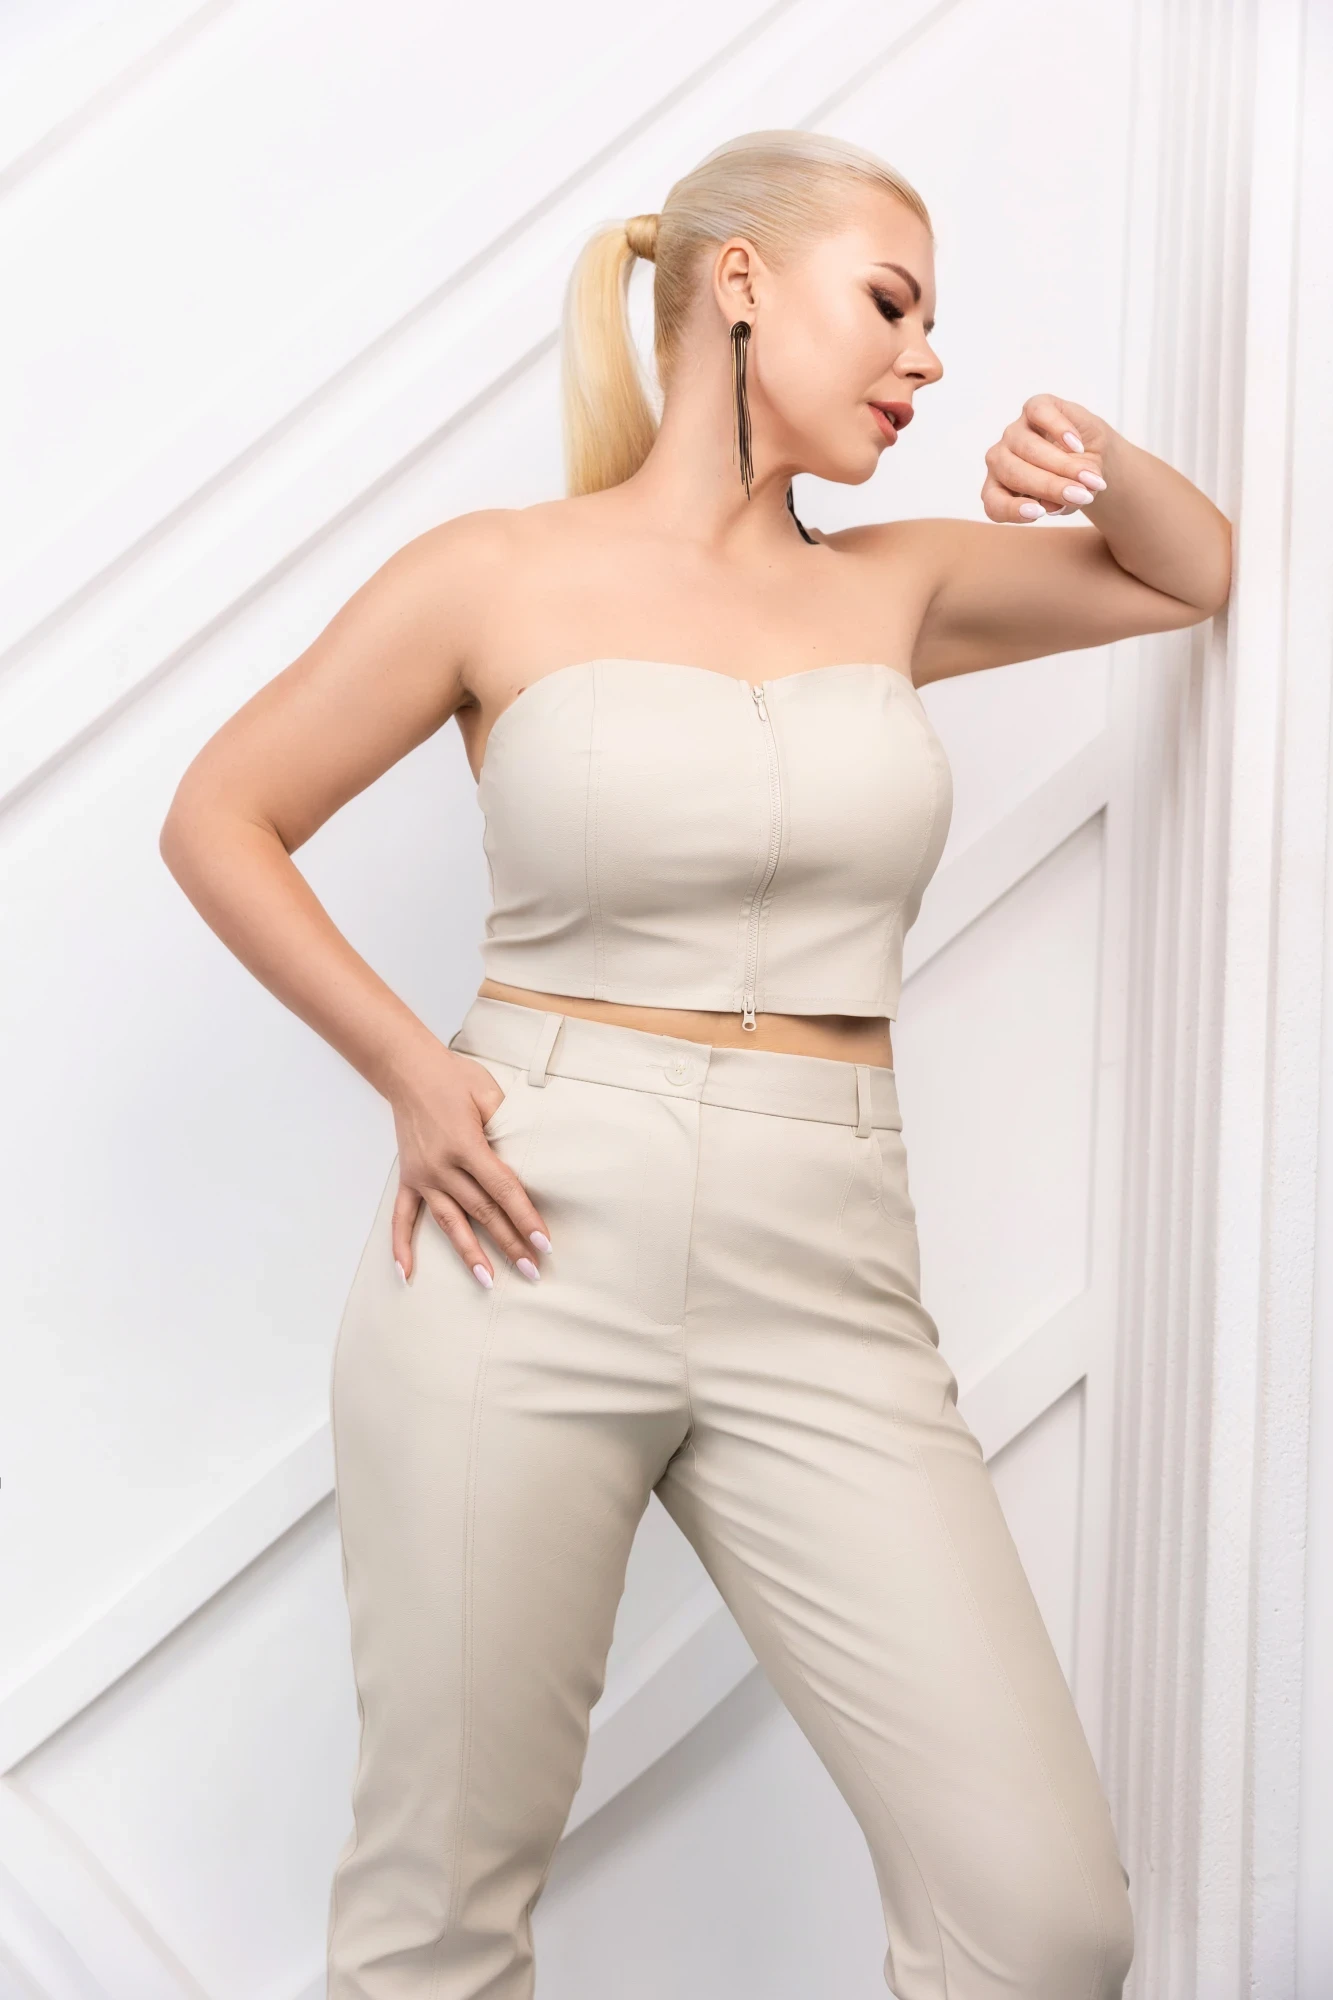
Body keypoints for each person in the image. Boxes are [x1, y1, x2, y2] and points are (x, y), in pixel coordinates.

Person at [159, 128, 1231, 2000]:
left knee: (1045, 1919)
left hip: (829, 1257)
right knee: (435, 1919)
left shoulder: (898, 583)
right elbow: (219, 815)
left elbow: (1186, 572)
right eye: (889, 305)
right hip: (525, 1232)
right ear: (738, 283)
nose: (925, 360)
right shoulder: (491, 573)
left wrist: (1091, 460)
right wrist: (410, 1067)